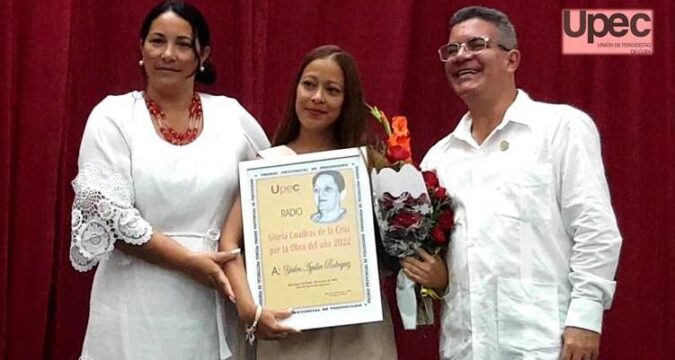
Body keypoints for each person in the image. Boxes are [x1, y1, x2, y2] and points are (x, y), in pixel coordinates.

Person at [401, 6, 623, 360]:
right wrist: (439, 279)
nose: (462, 57)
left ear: (512, 59)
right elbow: (447, 263)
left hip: (546, 343)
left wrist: (585, 319)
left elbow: (595, 230)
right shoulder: (438, 158)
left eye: (476, 44)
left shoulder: (561, 128)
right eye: (452, 50)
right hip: (465, 346)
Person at [69, 1, 269, 359]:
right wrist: (191, 263)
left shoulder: (232, 116)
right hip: (131, 305)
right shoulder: (113, 116)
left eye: (182, 44)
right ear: (141, 48)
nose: (168, 54)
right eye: (157, 41)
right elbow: (108, 216)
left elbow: (275, 187)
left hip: (210, 301)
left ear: (202, 54)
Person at [219, 45, 398, 360]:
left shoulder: (367, 164)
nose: (317, 97)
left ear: (348, 100)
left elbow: (400, 244)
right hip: (287, 332)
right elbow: (229, 241)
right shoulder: (267, 165)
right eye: (309, 84)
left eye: (332, 90)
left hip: (359, 334)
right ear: (296, 90)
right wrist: (249, 307)